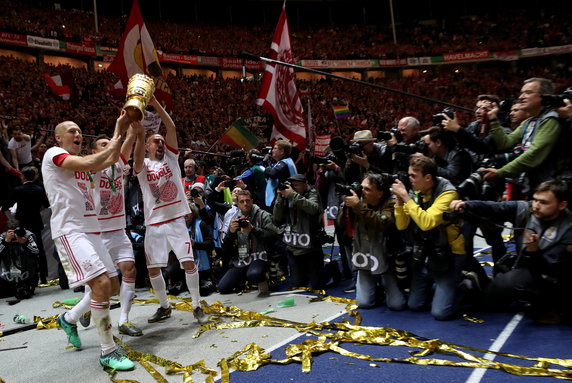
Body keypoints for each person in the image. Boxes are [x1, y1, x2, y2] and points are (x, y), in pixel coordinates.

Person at [41, 112, 135, 370]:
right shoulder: (53, 154)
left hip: (93, 230)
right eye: (71, 131)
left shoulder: (86, 162)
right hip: (71, 230)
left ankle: (69, 319)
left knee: (112, 286)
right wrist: (115, 140)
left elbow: (110, 159)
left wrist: (119, 126)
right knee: (102, 283)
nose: (77, 134)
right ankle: (108, 351)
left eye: (80, 131)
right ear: (58, 138)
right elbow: (90, 163)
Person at [450, 180, 572, 323]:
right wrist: (467, 205)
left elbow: (550, 271)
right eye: (535, 200)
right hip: (525, 266)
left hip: (553, 276)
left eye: (544, 203)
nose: (536, 206)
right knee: (485, 303)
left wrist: (533, 252)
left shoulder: (568, 230)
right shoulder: (526, 210)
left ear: (562, 205)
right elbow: (496, 208)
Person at [133, 96, 207, 325]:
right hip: (154, 223)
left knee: (188, 263)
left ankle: (196, 306)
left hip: (175, 219)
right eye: (155, 141)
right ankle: (164, 306)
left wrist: (155, 102)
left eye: (161, 141)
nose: (160, 143)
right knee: (153, 269)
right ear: (147, 146)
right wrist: (141, 131)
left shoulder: (172, 159)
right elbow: (136, 155)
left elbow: (171, 127)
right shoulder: (143, 165)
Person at [80, 126, 143, 336]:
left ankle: (124, 320)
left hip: (119, 228)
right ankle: (85, 305)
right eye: (103, 145)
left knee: (130, 269)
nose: (109, 147)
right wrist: (118, 137)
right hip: (99, 232)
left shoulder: (118, 164)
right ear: (93, 151)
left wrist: (134, 124)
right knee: (101, 280)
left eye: (110, 143)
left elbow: (129, 139)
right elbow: (115, 149)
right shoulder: (94, 166)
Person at [391, 156, 465, 320]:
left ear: (428, 177)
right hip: (426, 251)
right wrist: (399, 201)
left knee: (440, 313)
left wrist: (406, 197)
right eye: (409, 175)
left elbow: (427, 222)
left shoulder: (448, 193)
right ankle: (440, 286)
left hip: (449, 253)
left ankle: (464, 283)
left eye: (413, 176)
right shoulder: (416, 190)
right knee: (414, 305)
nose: (409, 180)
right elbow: (402, 225)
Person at [483, 78, 564, 194]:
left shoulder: (551, 119)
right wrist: (493, 119)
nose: (521, 97)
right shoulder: (529, 121)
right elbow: (505, 143)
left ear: (545, 96)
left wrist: (500, 172)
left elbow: (534, 154)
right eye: (521, 93)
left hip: (552, 190)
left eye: (528, 92)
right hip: (536, 186)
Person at [338, 172, 405, 309]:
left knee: (397, 305)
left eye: (367, 189)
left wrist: (358, 206)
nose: (362, 192)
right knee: (364, 303)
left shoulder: (391, 202)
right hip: (365, 256)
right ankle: (377, 289)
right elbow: (340, 224)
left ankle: (387, 285)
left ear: (380, 193)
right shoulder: (357, 201)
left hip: (386, 257)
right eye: (362, 188)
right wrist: (347, 207)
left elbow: (381, 224)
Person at [218, 189, 276, 295]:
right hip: (241, 260)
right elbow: (226, 247)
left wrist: (254, 229)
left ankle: (261, 279)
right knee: (222, 288)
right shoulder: (235, 219)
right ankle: (244, 280)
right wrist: (231, 233)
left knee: (254, 274)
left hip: (259, 257)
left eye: (248, 201)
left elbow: (273, 237)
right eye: (242, 201)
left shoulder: (263, 215)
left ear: (252, 201)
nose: (245, 204)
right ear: (237, 204)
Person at [274, 174, 325, 290]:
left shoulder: (312, 192)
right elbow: (277, 218)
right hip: (293, 247)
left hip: (311, 247)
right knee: (298, 285)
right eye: (292, 185)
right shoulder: (286, 196)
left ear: (305, 185)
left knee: (318, 285)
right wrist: (280, 198)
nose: (293, 188)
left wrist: (293, 195)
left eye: (296, 185)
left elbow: (313, 209)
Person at [8, 166, 50, 284]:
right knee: (39, 249)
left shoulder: (18, 190)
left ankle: (28, 277)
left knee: (23, 249)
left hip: (22, 223)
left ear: (22, 176)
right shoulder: (39, 189)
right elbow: (46, 204)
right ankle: (43, 276)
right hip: (36, 221)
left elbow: (9, 203)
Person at [0, 219, 39, 300]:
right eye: (11, 232)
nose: (14, 235)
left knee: (26, 293)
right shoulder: (2, 237)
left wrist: (25, 243)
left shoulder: (28, 235)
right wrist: (6, 241)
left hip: (27, 273)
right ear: (6, 231)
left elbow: (36, 252)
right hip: (7, 274)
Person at [264, 139, 297, 207]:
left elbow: (273, 174)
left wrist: (267, 167)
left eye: (275, 148)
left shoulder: (284, 163)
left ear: (282, 151)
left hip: (283, 202)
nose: (272, 150)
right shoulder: (288, 161)